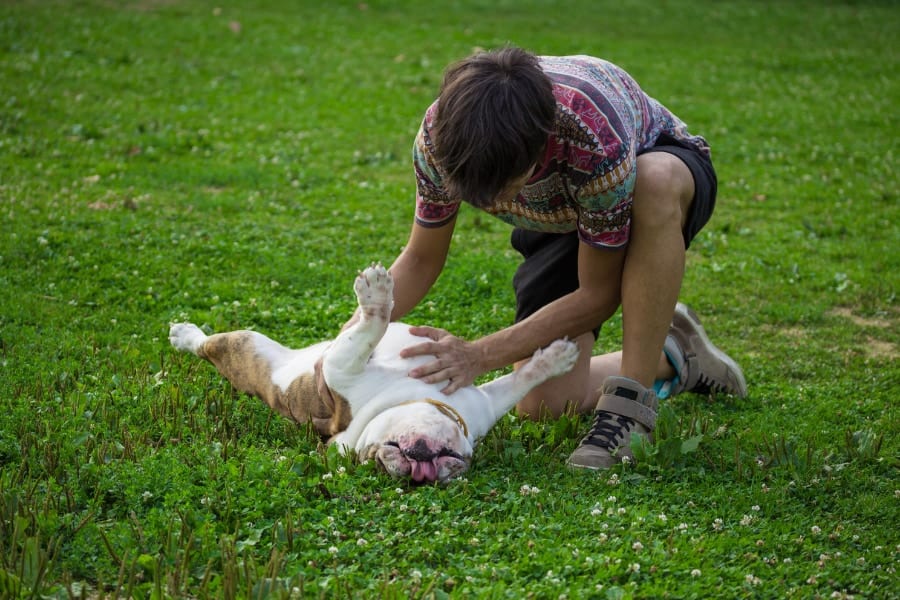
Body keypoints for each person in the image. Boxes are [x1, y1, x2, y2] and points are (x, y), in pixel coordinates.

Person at [342, 46, 746, 470]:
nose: (492, 202)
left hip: (652, 177)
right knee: (545, 404)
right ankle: (677, 351)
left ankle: (630, 408)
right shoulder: (441, 138)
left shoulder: (592, 135)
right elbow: (421, 259)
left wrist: (479, 354)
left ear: (539, 152)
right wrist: (345, 346)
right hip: (563, 215)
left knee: (655, 181)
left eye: (503, 189)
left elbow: (598, 292)